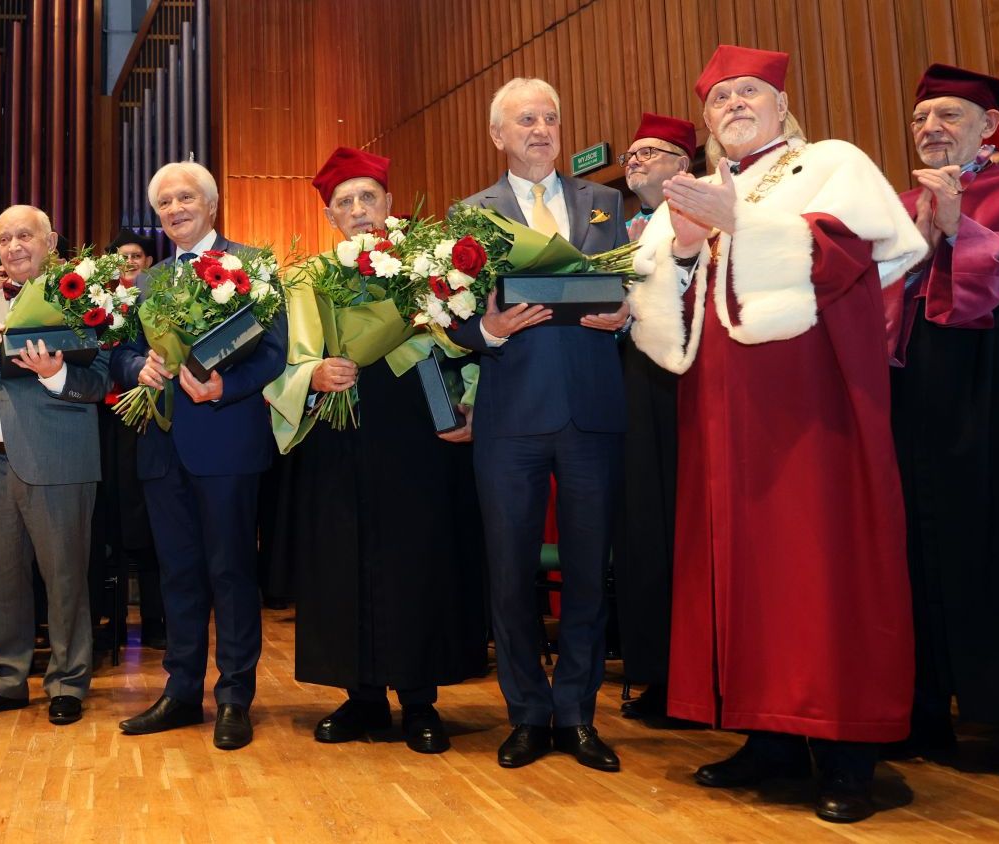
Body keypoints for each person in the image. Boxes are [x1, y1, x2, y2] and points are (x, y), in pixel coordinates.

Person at [628, 45, 926, 822]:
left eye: (748, 93)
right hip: (723, 415)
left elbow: (849, 258)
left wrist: (743, 224)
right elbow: (670, 304)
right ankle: (769, 734)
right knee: (740, 566)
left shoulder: (829, 164)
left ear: (781, 104)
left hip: (812, 406)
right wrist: (683, 257)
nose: (733, 105)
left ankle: (847, 751)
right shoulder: (691, 194)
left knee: (822, 566)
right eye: (720, 97)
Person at [269, 147, 488, 754]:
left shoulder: (427, 266)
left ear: (390, 204)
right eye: (346, 202)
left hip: (416, 425)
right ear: (331, 216)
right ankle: (360, 697)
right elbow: (283, 357)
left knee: (418, 557)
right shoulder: (307, 279)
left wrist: (470, 400)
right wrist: (311, 376)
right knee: (343, 558)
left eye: (369, 197)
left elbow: (465, 341)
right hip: (341, 430)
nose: (359, 209)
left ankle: (420, 699)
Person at [448, 77, 628, 773]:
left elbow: (633, 284)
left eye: (550, 117)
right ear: (498, 135)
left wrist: (627, 317)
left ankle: (578, 714)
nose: (542, 129)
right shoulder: (471, 216)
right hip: (511, 419)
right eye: (526, 119)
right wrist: (485, 329)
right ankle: (526, 712)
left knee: (589, 571)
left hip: (592, 410)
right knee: (509, 573)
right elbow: (453, 318)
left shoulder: (608, 203)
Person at [112, 161, 285, 751]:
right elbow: (120, 356)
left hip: (228, 441)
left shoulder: (252, 267)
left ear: (211, 205)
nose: (176, 209)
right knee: (178, 576)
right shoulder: (146, 282)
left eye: (186, 198)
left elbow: (274, 354)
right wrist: (140, 366)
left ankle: (235, 695)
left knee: (232, 573)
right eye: (165, 203)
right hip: (162, 449)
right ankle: (182, 691)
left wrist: (223, 387)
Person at [888, 63, 999, 757]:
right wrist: (919, 240)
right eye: (920, 118)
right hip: (915, 399)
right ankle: (925, 706)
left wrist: (960, 228)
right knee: (917, 545)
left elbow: (989, 296)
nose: (931, 129)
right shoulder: (901, 202)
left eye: (949, 117)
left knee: (991, 542)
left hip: (994, 396)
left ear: (988, 127)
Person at [0, 205, 109, 726]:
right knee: (1, 579)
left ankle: (68, 682)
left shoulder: (78, 298)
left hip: (57, 457)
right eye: (5, 238)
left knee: (63, 578)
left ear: (50, 240)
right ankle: (6, 679)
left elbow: (100, 380)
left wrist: (55, 374)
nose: (13, 246)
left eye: (24, 236)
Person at [612, 113, 695, 722]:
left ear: (683, 166)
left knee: (683, 530)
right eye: (633, 154)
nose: (636, 161)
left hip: (684, 387)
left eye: (653, 152)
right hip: (628, 391)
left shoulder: (699, 220)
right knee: (642, 532)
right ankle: (656, 673)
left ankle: (692, 676)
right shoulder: (614, 227)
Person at [92, 228, 165, 651]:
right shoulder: (97, 305)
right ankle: (112, 619)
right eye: (123, 256)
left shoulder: (158, 301)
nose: (131, 261)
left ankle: (157, 619)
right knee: (111, 522)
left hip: (149, 421)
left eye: (138, 255)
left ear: (149, 262)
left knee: (151, 522)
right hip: (107, 421)